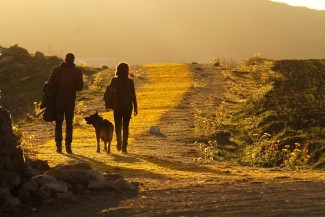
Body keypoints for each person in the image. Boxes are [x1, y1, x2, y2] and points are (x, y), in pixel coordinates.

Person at [47, 53, 83, 153]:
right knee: (69, 123)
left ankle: (58, 146)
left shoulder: (57, 70)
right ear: (73, 60)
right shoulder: (77, 71)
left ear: (65, 59)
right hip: (70, 100)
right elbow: (80, 87)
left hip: (58, 100)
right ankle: (68, 146)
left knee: (58, 123)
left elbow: (49, 83)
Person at [108, 63, 138, 153]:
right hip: (127, 107)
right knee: (125, 126)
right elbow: (133, 95)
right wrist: (135, 107)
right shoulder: (130, 81)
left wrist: (108, 104)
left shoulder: (114, 80)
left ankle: (119, 141)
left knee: (117, 125)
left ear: (118, 70)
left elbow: (110, 92)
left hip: (117, 106)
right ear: (127, 71)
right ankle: (124, 146)